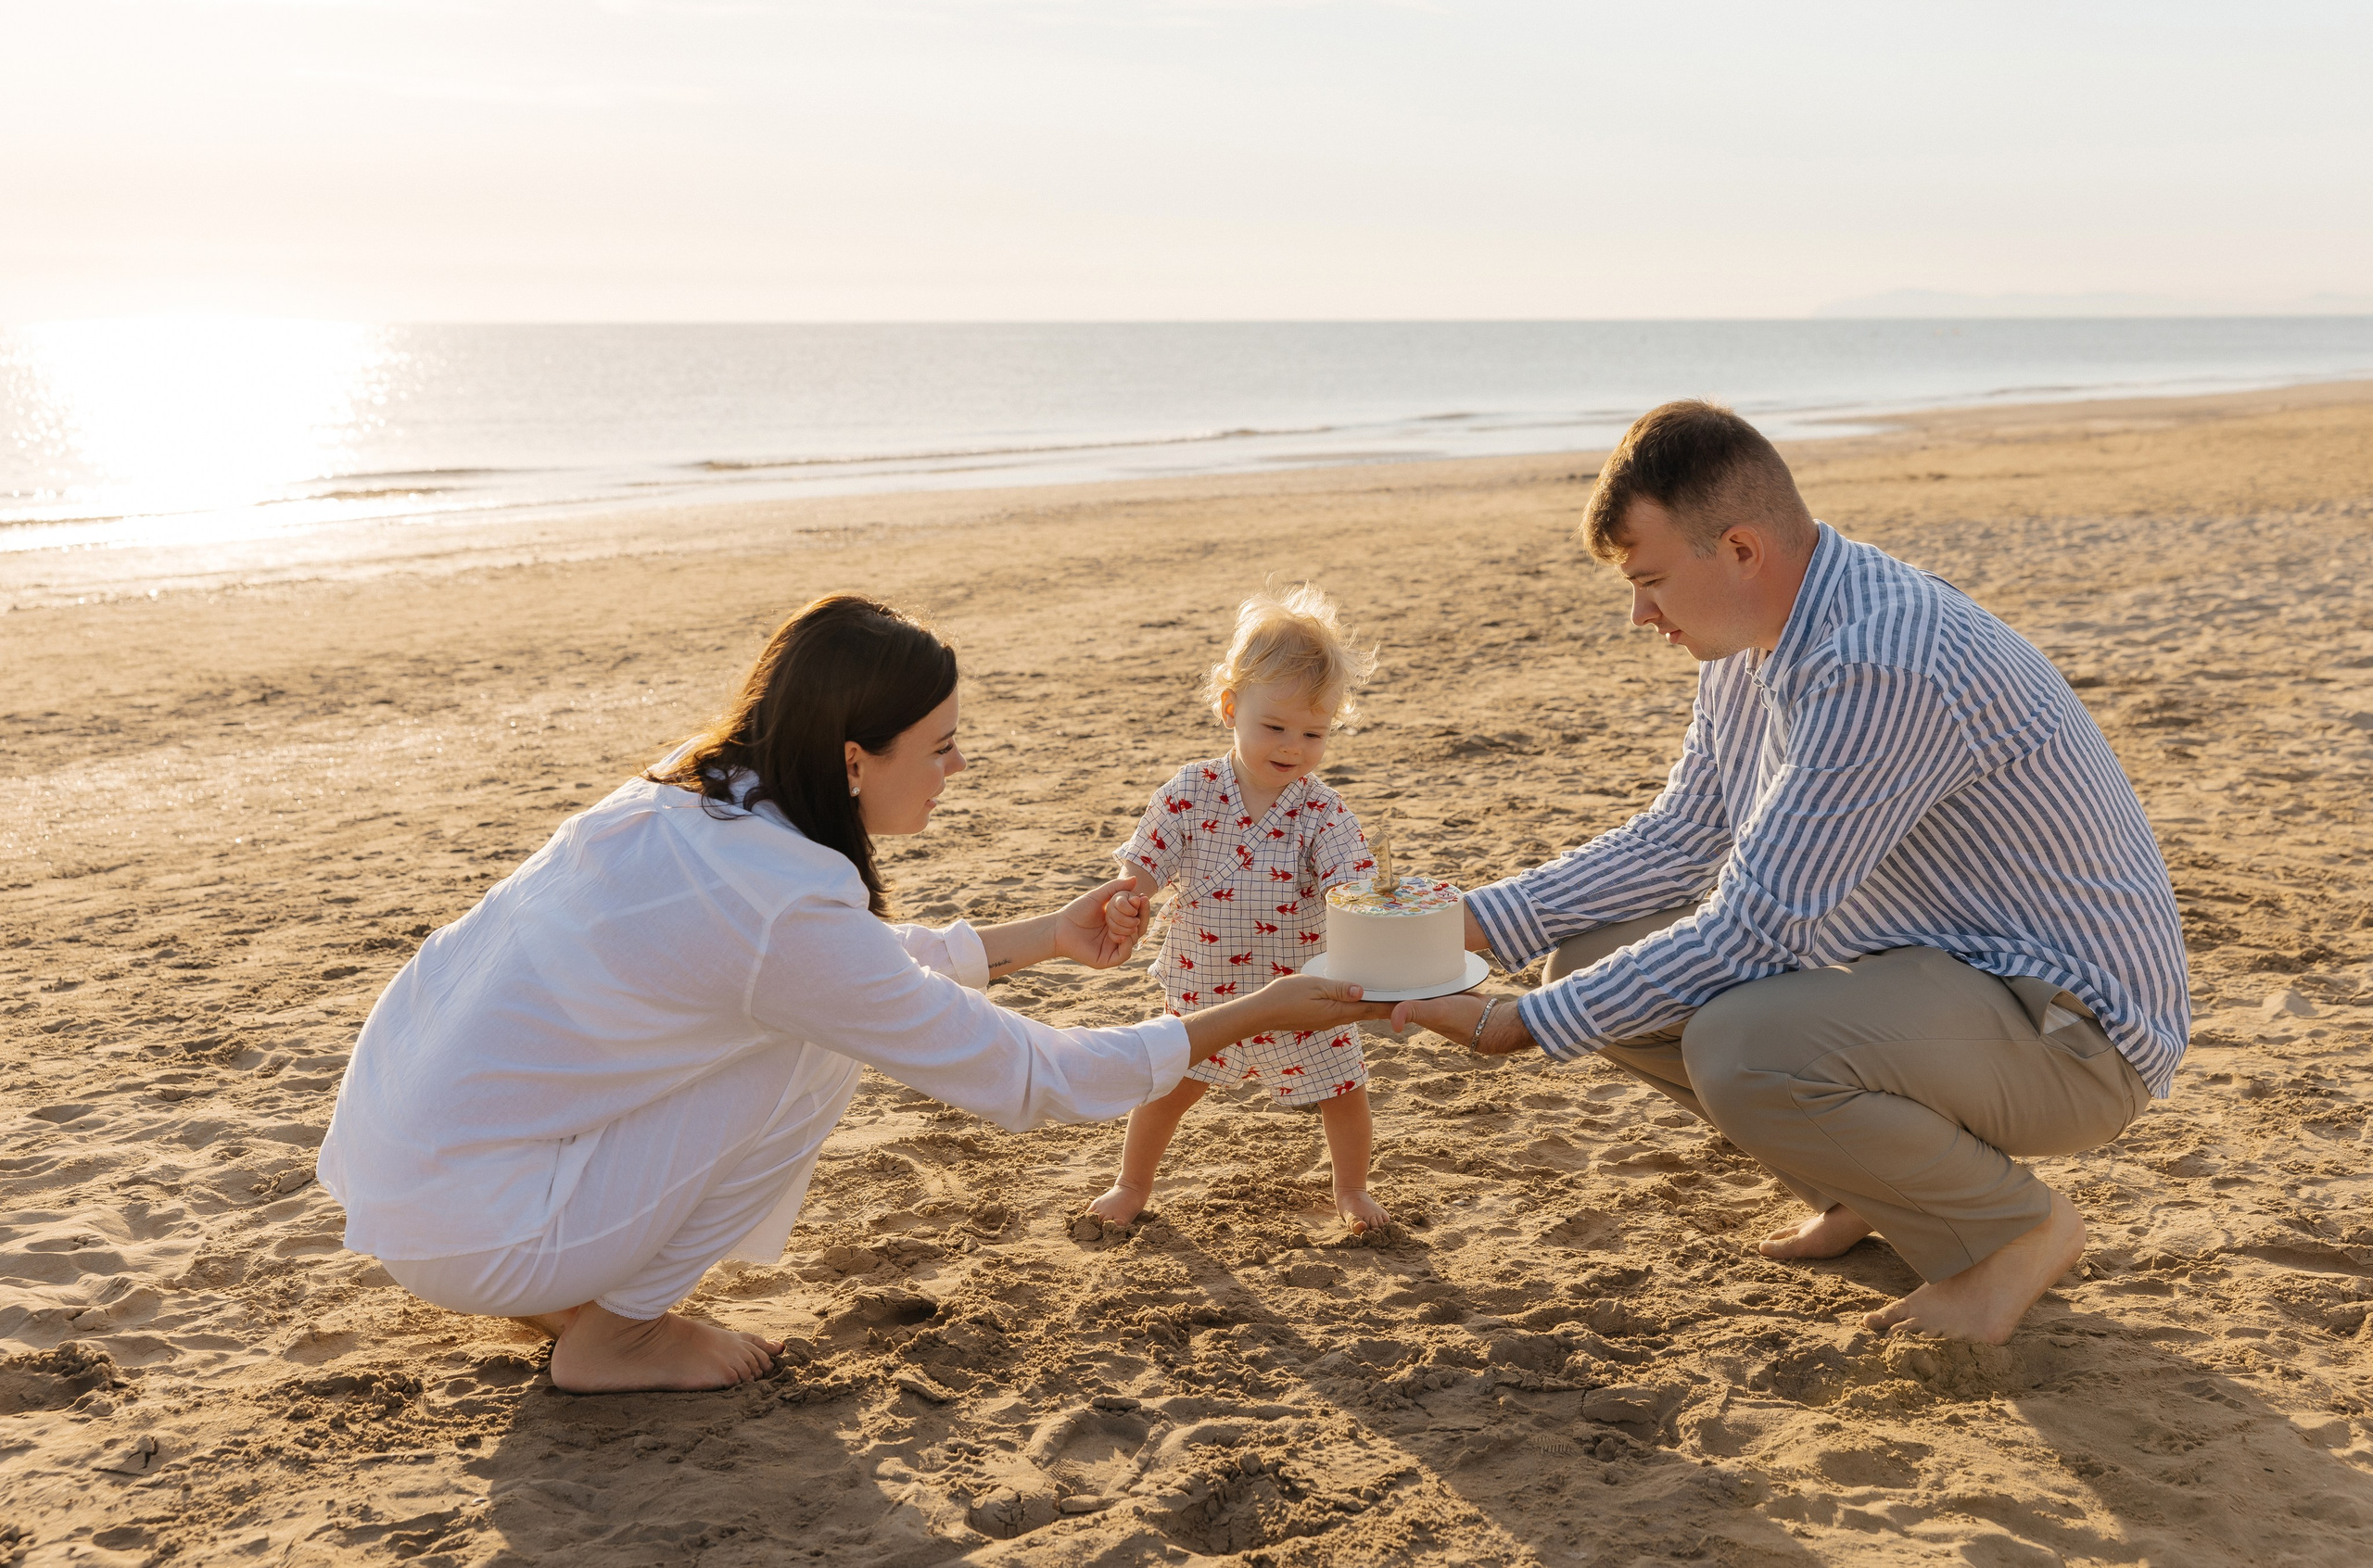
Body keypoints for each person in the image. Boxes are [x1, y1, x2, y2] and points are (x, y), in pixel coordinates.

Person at [315, 594, 1378, 1394]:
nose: (958, 766)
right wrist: (1253, 1011)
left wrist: (1046, 939)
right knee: (812, 1046)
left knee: (804, 1017)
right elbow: (1019, 1074)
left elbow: (836, 961)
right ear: (855, 758)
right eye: (941, 744)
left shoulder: (700, 788)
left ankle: (560, 1297)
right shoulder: (788, 907)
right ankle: (621, 1331)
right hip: (473, 1217)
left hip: (404, 1160)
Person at [1387, 400, 2189, 1346]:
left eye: (1647, 579)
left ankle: (2018, 1232)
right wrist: (1461, 924)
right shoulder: (1752, 636)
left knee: (1742, 1043)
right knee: (1589, 964)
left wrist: (1512, 1026)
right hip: (1947, 980)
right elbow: (1682, 839)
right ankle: (1865, 1189)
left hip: (2074, 1031)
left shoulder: (1876, 662)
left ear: (1738, 549)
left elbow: (1754, 928)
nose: (1638, 612)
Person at [1084, 586, 1387, 1233]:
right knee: (1166, 1089)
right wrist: (1127, 900)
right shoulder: (1192, 791)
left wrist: (1364, 906)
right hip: (1205, 985)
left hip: (1301, 989)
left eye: (1314, 732)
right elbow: (1142, 865)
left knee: (1344, 1091)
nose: (1293, 747)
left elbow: (1350, 881)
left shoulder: (1321, 810)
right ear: (1230, 708)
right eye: (1274, 727)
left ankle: (1353, 1190)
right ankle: (1131, 1184)